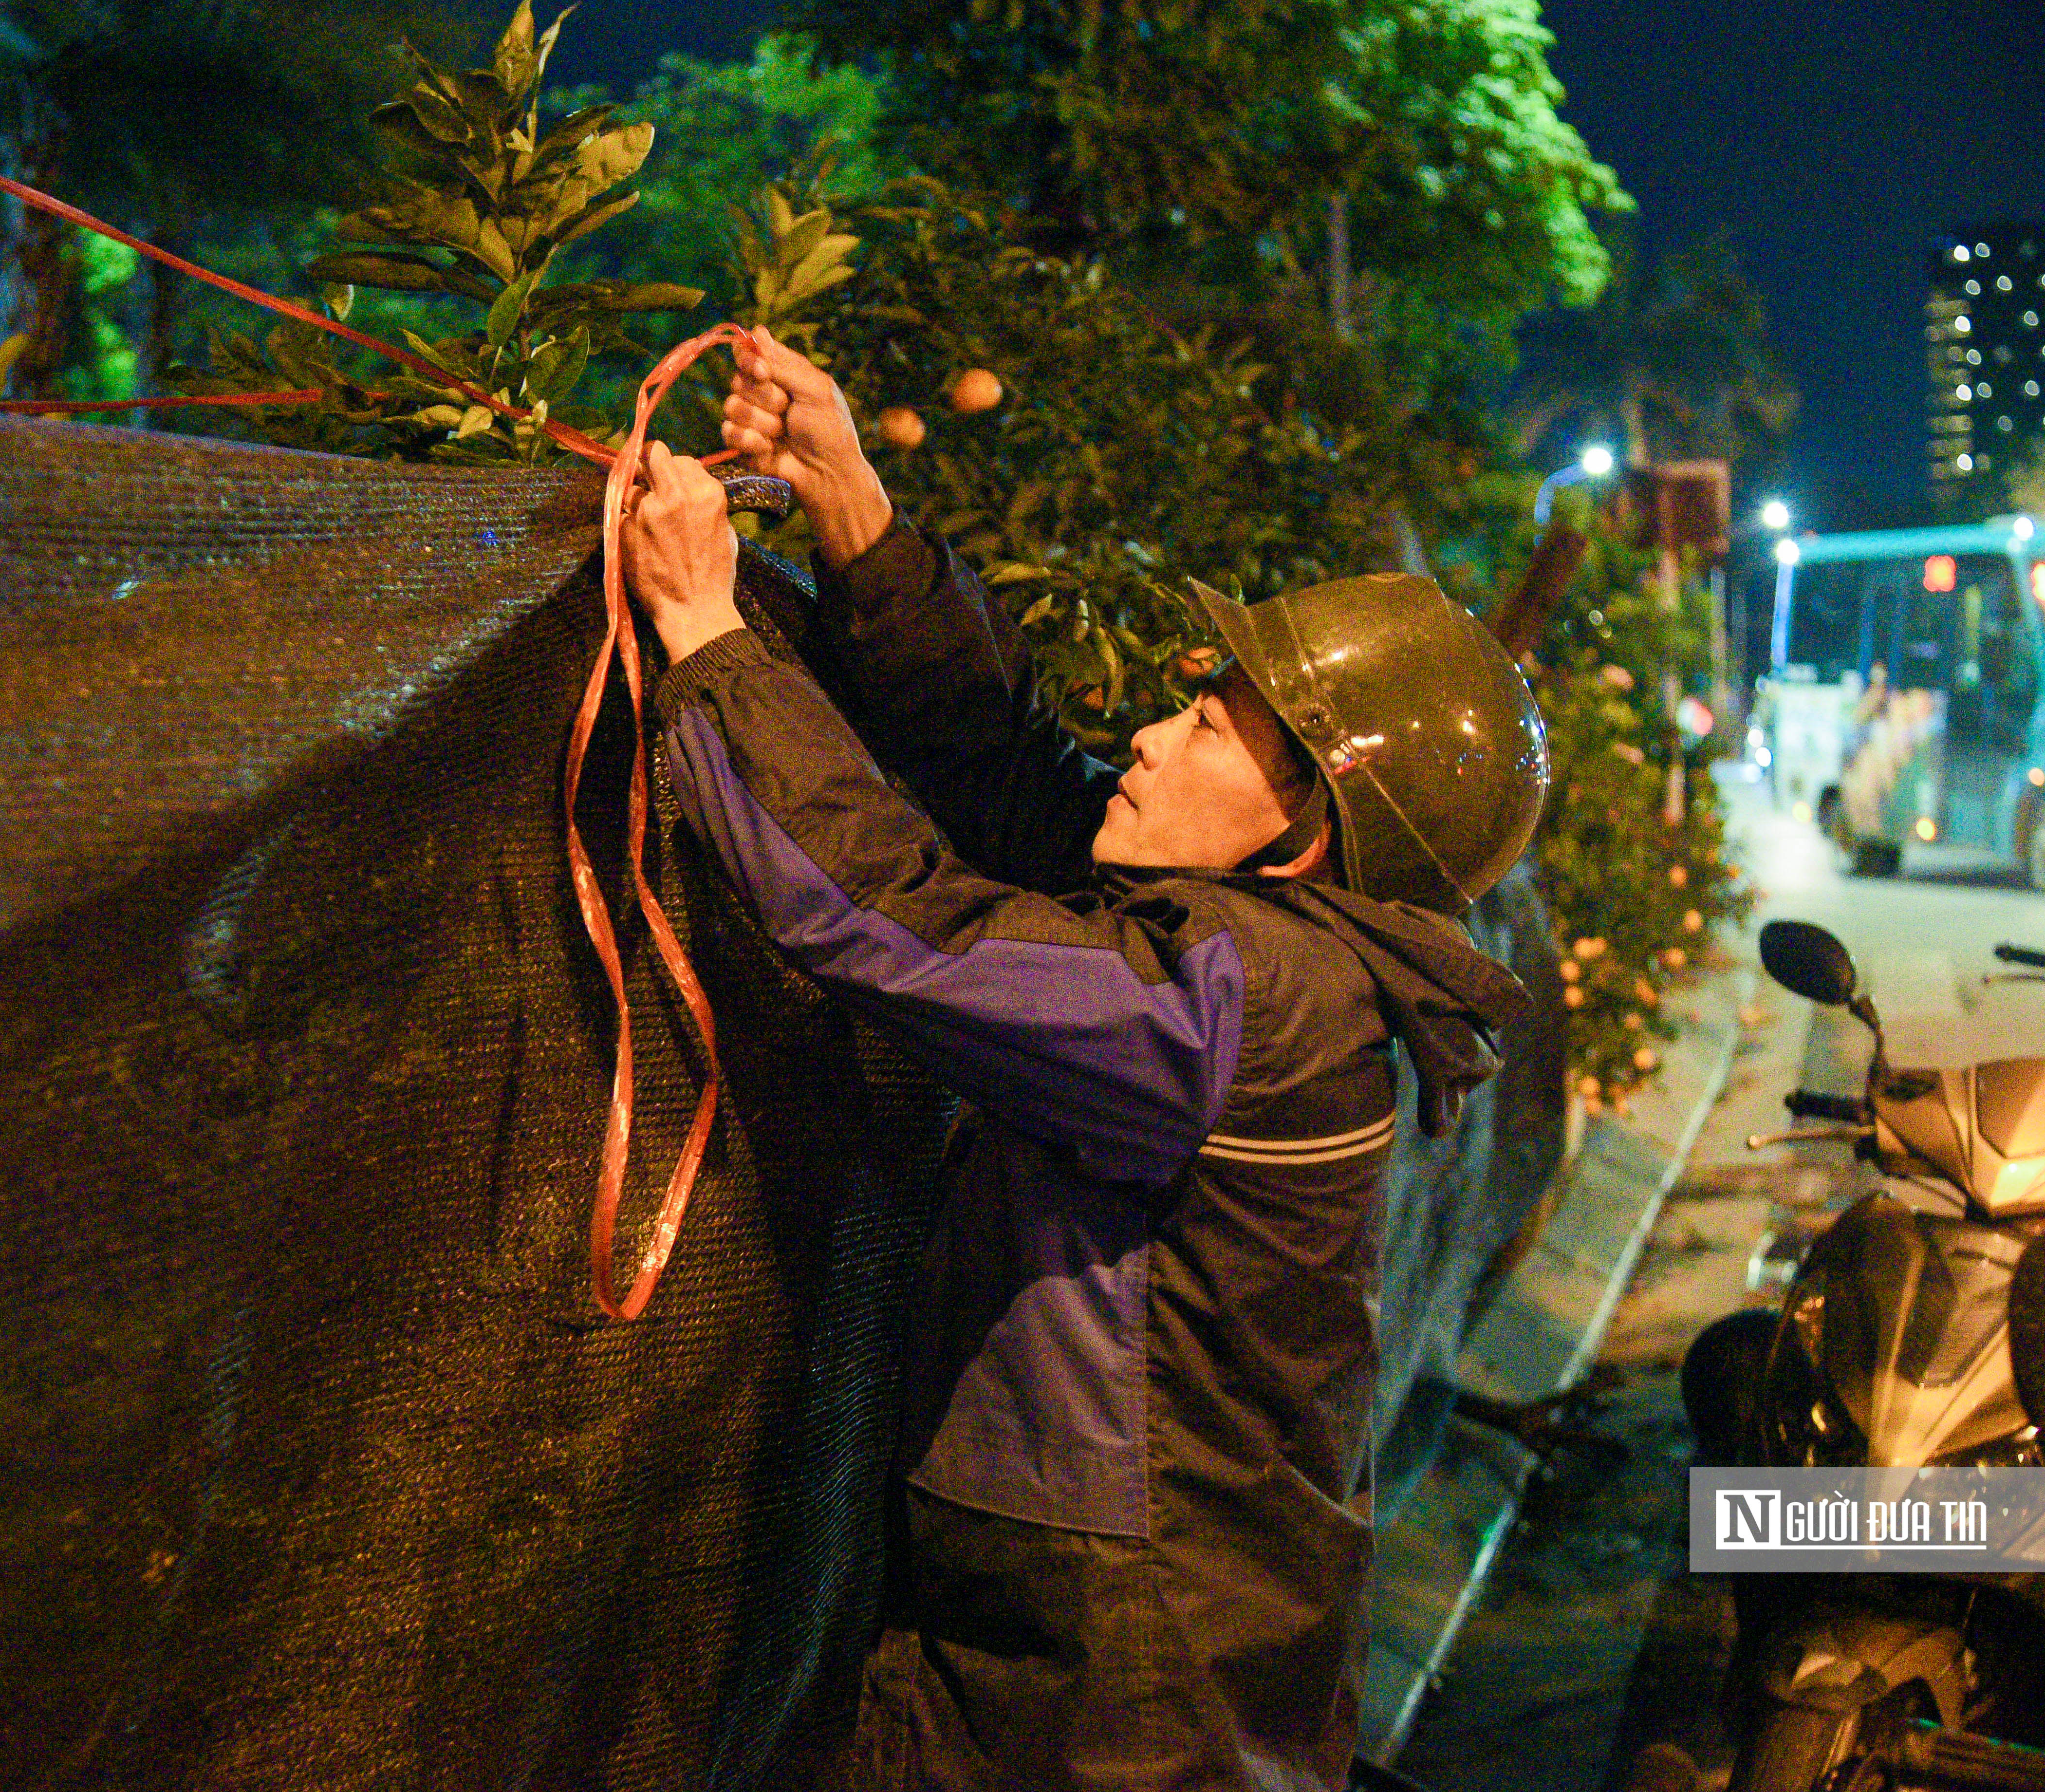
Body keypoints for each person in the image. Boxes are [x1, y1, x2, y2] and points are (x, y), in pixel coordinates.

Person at [619, 328, 1544, 1792]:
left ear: (1303, 831)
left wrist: (706, 638)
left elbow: (901, 927)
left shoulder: (1242, 1004)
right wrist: (853, 510)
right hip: (1110, 1621)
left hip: (1123, 1688)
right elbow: (1020, 786)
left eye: (1205, 725)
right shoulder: (1255, 945)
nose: (1151, 736)